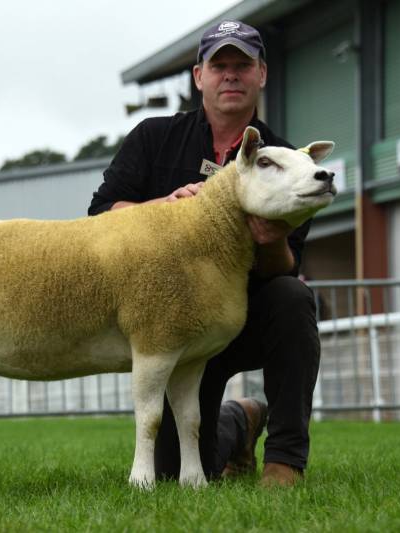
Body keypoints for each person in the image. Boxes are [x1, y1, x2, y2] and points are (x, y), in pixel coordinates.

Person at [88, 20, 319, 487]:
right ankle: (242, 419)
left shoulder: (290, 165)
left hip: (245, 314)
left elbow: (285, 267)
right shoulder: (153, 138)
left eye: (242, 65)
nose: (230, 76)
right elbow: (100, 214)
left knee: (294, 300)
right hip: (172, 328)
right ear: (199, 77)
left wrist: (269, 236)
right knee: (178, 473)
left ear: (262, 74)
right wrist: (161, 207)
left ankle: (285, 461)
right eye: (219, 66)